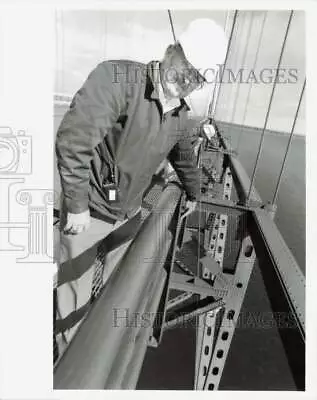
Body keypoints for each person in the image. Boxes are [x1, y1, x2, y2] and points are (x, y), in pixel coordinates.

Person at [54, 18, 226, 355]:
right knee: (72, 300)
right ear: (169, 51)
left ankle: (101, 343)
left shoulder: (179, 115)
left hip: (128, 213)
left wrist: (195, 193)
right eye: (187, 66)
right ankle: (70, 365)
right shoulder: (118, 79)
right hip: (89, 212)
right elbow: (75, 140)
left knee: (116, 290)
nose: (188, 78)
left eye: (197, 76)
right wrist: (75, 204)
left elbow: (184, 157)